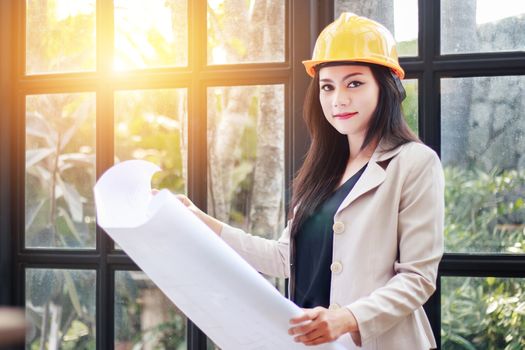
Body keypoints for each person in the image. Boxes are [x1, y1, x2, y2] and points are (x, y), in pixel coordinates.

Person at [175, 13, 444, 349]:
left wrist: (346, 318)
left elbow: (418, 278)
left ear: (387, 87)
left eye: (354, 83)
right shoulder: (323, 169)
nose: (338, 99)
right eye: (327, 87)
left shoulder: (414, 163)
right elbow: (281, 257)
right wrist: (200, 221)